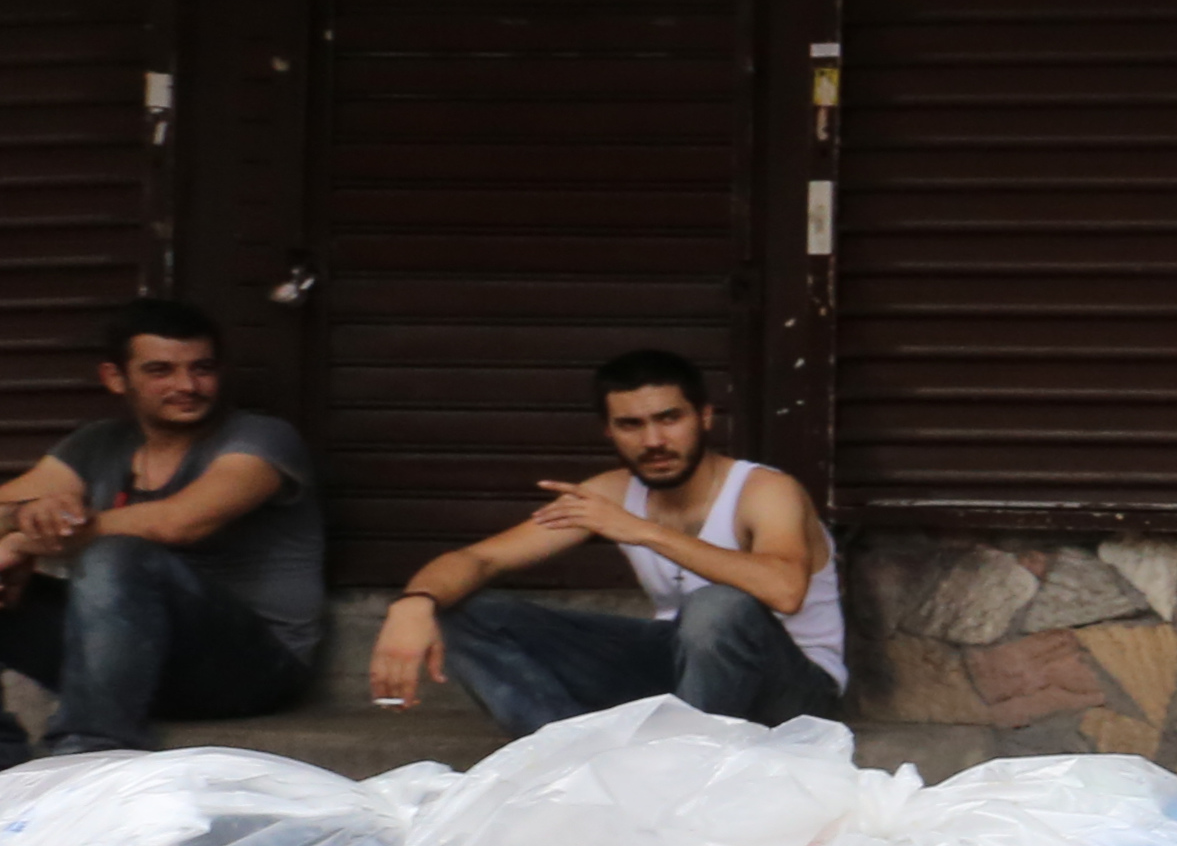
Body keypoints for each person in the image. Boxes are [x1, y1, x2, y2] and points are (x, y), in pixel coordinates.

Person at [370, 350, 850, 734]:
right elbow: (481, 558)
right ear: (609, 431)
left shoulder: (765, 490)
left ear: (704, 418)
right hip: (678, 675)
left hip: (792, 694)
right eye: (631, 425)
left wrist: (642, 530)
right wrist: (414, 603)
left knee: (717, 606)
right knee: (462, 610)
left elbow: (785, 589)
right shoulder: (610, 491)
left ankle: (678, 772)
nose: (654, 440)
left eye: (669, 419)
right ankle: (573, 760)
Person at [0, 299, 331, 766]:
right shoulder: (98, 444)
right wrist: (26, 514)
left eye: (202, 369)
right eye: (161, 371)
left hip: (247, 669)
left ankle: (90, 754)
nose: (186, 386)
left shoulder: (261, 439)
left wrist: (22, 540)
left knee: (116, 554)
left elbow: (177, 523)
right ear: (116, 378)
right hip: (119, 662)